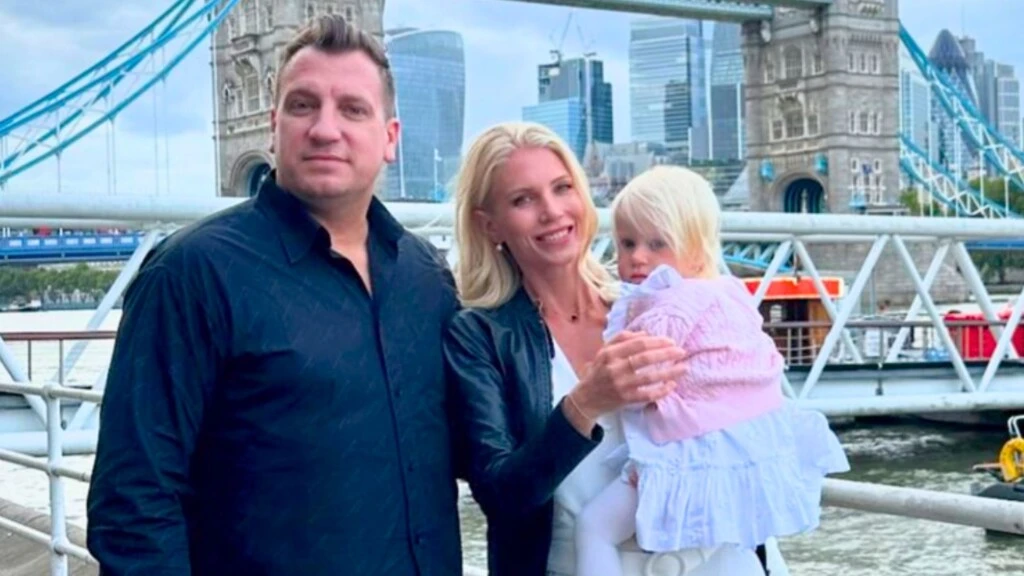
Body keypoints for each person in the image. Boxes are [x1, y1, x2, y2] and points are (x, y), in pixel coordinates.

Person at [86, 15, 463, 576]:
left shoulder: (428, 278)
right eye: (303, 105)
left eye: (353, 109)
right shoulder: (191, 274)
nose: (325, 129)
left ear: (390, 138)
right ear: (273, 125)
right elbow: (132, 504)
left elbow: (485, 449)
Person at [443, 121, 766, 576]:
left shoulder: (651, 303)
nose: (552, 211)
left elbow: (742, 422)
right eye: (523, 200)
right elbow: (502, 496)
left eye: (562, 188)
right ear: (489, 224)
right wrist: (585, 404)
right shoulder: (479, 337)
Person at [574, 165, 851, 576]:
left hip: (686, 458)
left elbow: (632, 382)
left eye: (657, 243)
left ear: (696, 247)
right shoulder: (730, 295)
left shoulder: (666, 310)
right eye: (627, 243)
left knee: (593, 529)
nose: (637, 257)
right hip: (744, 453)